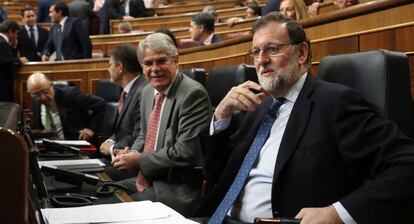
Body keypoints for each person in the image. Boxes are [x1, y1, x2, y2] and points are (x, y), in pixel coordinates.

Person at [196, 12, 414, 224]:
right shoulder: (260, 106)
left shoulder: (335, 103)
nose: (261, 61)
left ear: (301, 53)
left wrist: (338, 214)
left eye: (272, 49)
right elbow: (217, 174)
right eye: (255, 52)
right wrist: (221, 115)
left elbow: (406, 165)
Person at [112, 33, 212, 216]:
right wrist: (132, 152)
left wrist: (139, 160)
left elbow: (185, 152)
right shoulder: (148, 91)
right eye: (148, 63)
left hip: (176, 188)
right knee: (102, 190)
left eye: (161, 61)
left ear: (175, 61)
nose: (155, 69)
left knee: (116, 210)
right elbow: (143, 135)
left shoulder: (192, 94)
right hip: (148, 179)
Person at [100, 44, 147, 162]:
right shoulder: (128, 90)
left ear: (120, 67)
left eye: (110, 65)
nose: (108, 69)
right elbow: (122, 129)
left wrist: (112, 148)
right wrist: (111, 140)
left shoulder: (142, 92)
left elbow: (139, 135)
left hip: (132, 161)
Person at [27, 73, 106, 141]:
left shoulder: (70, 95)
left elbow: (100, 103)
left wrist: (91, 129)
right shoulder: (35, 103)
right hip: (50, 150)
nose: (43, 97)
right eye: (36, 95)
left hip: (76, 146)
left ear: (51, 85)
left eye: (45, 92)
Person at [0, 20, 28, 102]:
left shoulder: (3, 41)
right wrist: (18, 61)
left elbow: (7, 57)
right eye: (16, 33)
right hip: (2, 84)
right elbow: (2, 61)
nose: (16, 36)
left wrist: (14, 47)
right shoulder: (2, 42)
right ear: (10, 31)